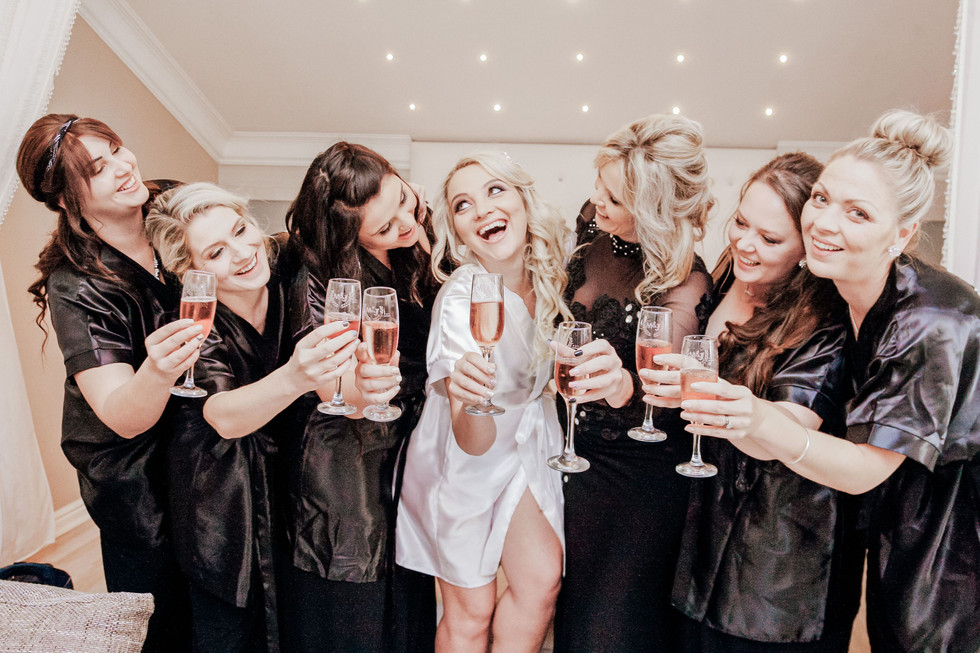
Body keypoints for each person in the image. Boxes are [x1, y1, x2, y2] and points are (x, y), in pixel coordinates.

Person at [661, 110, 979, 653]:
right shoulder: (845, 294)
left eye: (858, 213)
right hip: (894, 529)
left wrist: (755, 416)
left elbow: (863, 470)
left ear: (902, 233)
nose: (824, 223)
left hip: (954, 542)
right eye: (822, 198)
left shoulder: (932, 319)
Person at [648, 153, 864, 652]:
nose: (745, 243)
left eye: (769, 239)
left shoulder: (826, 322)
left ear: (807, 247)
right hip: (703, 530)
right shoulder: (731, 274)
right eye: (741, 223)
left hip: (779, 560)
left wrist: (704, 398)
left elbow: (784, 433)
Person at [144, 182, 358, 652]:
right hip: (222, 502)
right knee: (234, 634)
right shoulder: (190, 322)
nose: (242, 253)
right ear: (190, 272)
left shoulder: (290, 266)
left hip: (294, 493)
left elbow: (338, 218)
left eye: (241, 231)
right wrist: (296, 376)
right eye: (216, 252)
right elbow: (223, 416)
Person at [16, 113, 196, 651]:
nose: (123, 167)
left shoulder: (171, 203)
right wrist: (158, 369)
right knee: (161, 611)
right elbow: (121, 414)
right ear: (66, 199)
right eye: (97, 168)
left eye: (117, 148)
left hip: (200, 438)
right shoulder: (76, 283)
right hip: (133, 469)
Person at [396, 151, 582, 653]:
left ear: (523, 200)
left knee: (541, 582)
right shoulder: (464, 298)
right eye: (463, 205)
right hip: (461, 459)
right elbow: (471, 439)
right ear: (457, 233)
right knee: (471, 611)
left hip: (525, 444)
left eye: (495, 190)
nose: (482, 210)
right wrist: (467, 395)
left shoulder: (552, 276)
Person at [552, 114, 715, 652]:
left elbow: (663, 393)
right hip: (573, 459)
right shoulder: (590, 228)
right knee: (570, 614)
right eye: (598, 185)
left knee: (609, 627)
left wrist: (622, 385)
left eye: (615, 199)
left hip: (638, 477)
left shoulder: (686, 279)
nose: (597, 201)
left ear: (653, 211)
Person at [280, 142, 438, 652]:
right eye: (386, 227)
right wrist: (362, 387)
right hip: (345, 461)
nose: (406, 223)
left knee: (411, 597)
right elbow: (331, 383)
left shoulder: (419, 237)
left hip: (410, 445)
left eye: (404, 200)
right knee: (357, 609)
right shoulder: (316, 276)